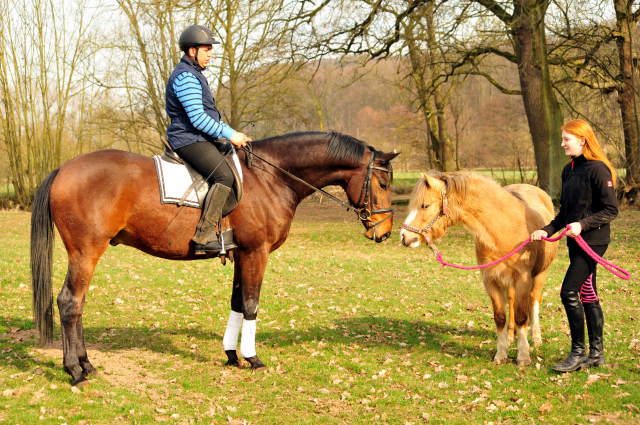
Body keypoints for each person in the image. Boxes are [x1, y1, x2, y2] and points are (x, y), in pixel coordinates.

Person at [531, 119, 618, 372]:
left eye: (566, 139)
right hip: (574, 240)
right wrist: (546, 230)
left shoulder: (599, 170)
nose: (562, 144)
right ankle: (596, 354)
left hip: (594, 240)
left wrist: (582, 224)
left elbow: (611, 210)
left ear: (582, 140)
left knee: (569, 291)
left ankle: (578, 353)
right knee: (587, 292)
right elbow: (564, 212)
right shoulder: (568, 170)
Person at [165, 25, 251, 254]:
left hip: (196, 136)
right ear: (192, 51)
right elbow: (198, 119)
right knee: (223, 176)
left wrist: (233, 134)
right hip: (188, 139)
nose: (211, 53)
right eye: (206, 49)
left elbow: (208, 118)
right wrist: (231, 135)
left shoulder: (194, 74)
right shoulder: (186, 77)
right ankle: (203, 237)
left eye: (211, 48)